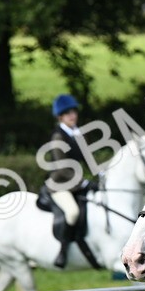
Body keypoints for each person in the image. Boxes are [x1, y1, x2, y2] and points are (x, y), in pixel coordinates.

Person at [44, 93, 90, 268]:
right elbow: (63, 168)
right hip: (59, 185)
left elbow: (88, 160)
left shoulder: (78, 134)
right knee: (72, 212)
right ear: (60, 116)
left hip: (75, 183)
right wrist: (83, 183)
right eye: (67, 113)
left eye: (74, 112)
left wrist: (101, 174)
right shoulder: (58, 137)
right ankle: (62, 252)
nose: (72, 116)